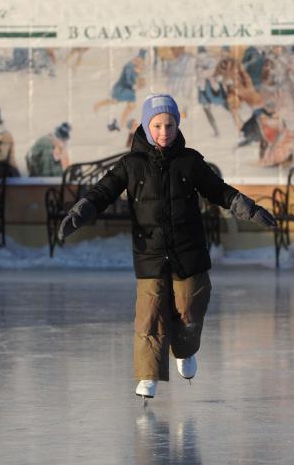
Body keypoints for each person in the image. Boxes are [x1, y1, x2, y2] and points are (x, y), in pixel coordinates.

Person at [58, 94, 276, 400]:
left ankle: (185, 352)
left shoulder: (190, 162)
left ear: (177, 125)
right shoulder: (131, 165)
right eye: (157, 125)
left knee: (189, 308)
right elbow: (102, 192)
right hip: (150, 252)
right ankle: (148, 374)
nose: (164, 131)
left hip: (189, 251)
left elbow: (219, 191)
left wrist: (248, 208)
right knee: (149, 314)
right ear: (147, 127)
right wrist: (81, 212)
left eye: (170, 124)